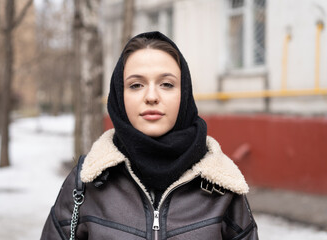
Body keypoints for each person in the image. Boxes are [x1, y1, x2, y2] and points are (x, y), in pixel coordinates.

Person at [41, 31, 258, 240]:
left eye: (166, 84)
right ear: (119, 94)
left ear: (184, 93)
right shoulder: (86, 180)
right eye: (136, 85)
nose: (152, 96)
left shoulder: (223, 184)